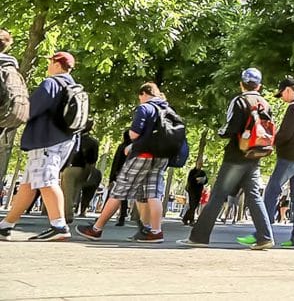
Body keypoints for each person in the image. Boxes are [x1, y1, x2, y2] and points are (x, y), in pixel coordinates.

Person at [179, 68, 275, 250]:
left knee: (218, 195)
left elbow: (230, 128)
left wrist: (220, 132)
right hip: (255, 156)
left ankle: (199, 237)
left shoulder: (240, 101)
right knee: (254, 196)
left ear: (241, 84)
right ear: (259, 86)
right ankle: (265, 236)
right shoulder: (265, 103)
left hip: (236, 156)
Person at [77, 82, 175, 243]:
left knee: (119, 191)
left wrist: (131, 140)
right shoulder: (168, 110)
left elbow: (135, 134)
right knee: (153, 194)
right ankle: (155, 231)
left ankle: (96, 228)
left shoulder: (146, 108)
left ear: (143, 93)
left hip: (142, 154)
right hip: (162, 157)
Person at [0, 51, 80, 241]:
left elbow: (31, 108)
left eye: (50, 62)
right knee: (29, 184)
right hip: (65, 140)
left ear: (57, 64)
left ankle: (59, 226)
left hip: (45, 140)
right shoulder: (74, 86)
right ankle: (6, 225)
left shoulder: (52, 83)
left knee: (46, 180)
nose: (48, 66)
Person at [236, 76, 294, 250]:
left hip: (289, 157)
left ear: (288, 90)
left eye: (282, 94)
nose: (282, 99)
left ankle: (261, 234)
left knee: (271, 192)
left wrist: (270, 141)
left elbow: (285, 134)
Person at [60, 119, 98, 224]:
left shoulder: (73, 139)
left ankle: (67, 215)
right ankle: (72, 209)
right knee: (76, 191)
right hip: (84, 168)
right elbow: (93, 159)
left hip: (70, 167)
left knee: (67, 193)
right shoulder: (93, 142)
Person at [107, 130, 132, 227]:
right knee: (124, 197)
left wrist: (112, 176)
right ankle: (122, 216)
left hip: (120, 173)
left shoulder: (122, 147)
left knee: (113, 195)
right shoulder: (134, 147)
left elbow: (116, 162)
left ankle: (106, 215)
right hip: (130, 172)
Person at [182, 160, 208, 226]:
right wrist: (196, 179)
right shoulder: (192, 172)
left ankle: (185, 218)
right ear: (196, 164)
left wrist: (203, 180)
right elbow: (190, 180)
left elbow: (206, 180)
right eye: (199, 164)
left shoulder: (202, 172)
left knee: (195, 206)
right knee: (192, 205)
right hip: (192, 190)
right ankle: (191, 220)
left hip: (199, 191)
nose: (200, 165)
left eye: (201, 164)